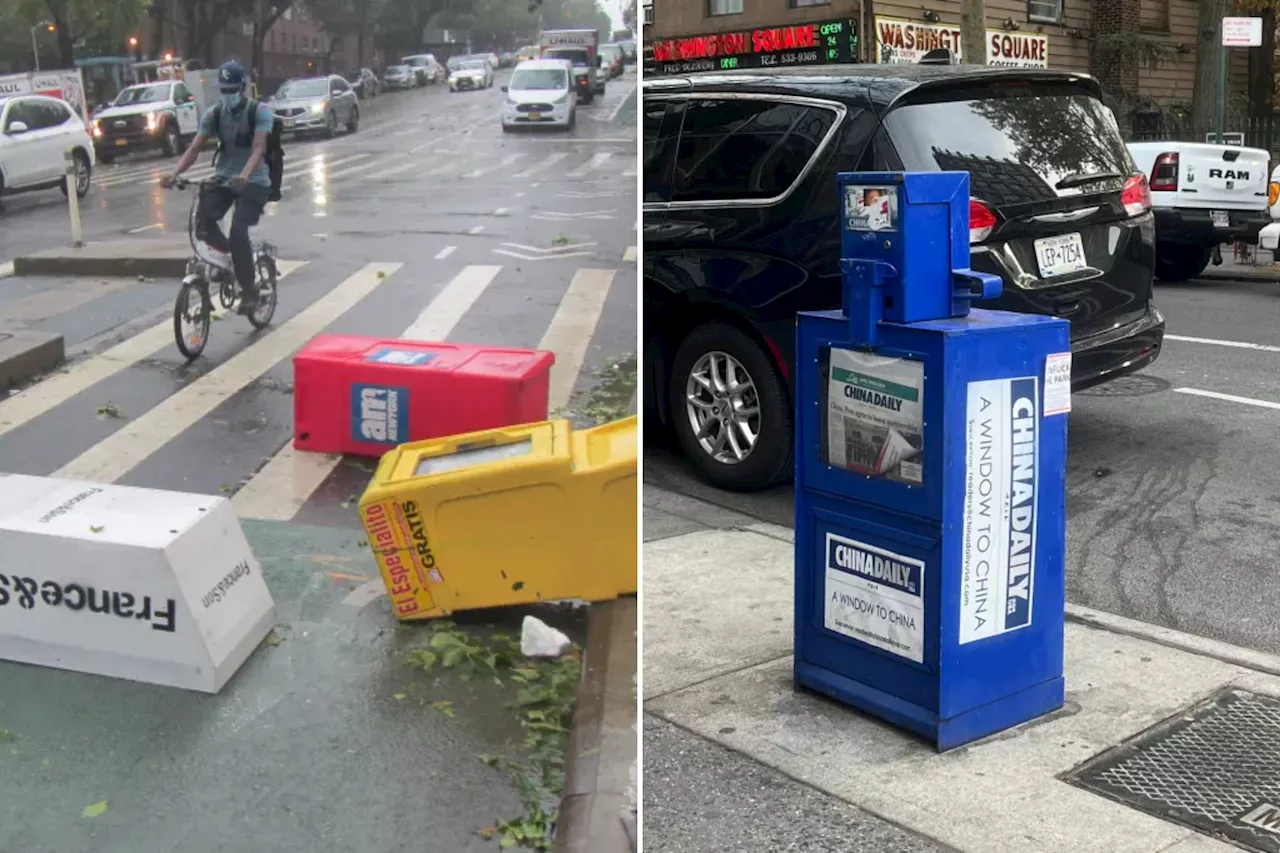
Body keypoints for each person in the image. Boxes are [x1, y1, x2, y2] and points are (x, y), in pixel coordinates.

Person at [161, 60, 272, 315]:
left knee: (238, 229)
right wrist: (174, 174)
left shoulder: (259, 112)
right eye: (223, 90)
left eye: (232, 90)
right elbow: (195, 147)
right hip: (224, 179)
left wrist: (245, 175)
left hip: (254, 181)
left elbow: (258, 149)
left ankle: (249, 290)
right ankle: (232, 260)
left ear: (242, 88)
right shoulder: (214, 114)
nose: (227, 95)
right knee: (202, 221)